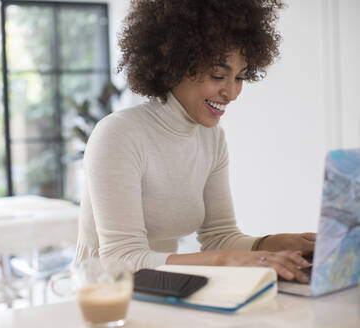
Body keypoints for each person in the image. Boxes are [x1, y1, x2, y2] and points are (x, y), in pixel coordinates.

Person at [74, 0, 315, 283]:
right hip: (103, 298)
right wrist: (228, 261)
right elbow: (122, 259)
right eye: (218, 75)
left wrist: (282, 243)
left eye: (239, 77)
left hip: (166, 289)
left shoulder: (211, 137)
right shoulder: (118, 135)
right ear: (176, 64)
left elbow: (219, 237)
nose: (232, 92)